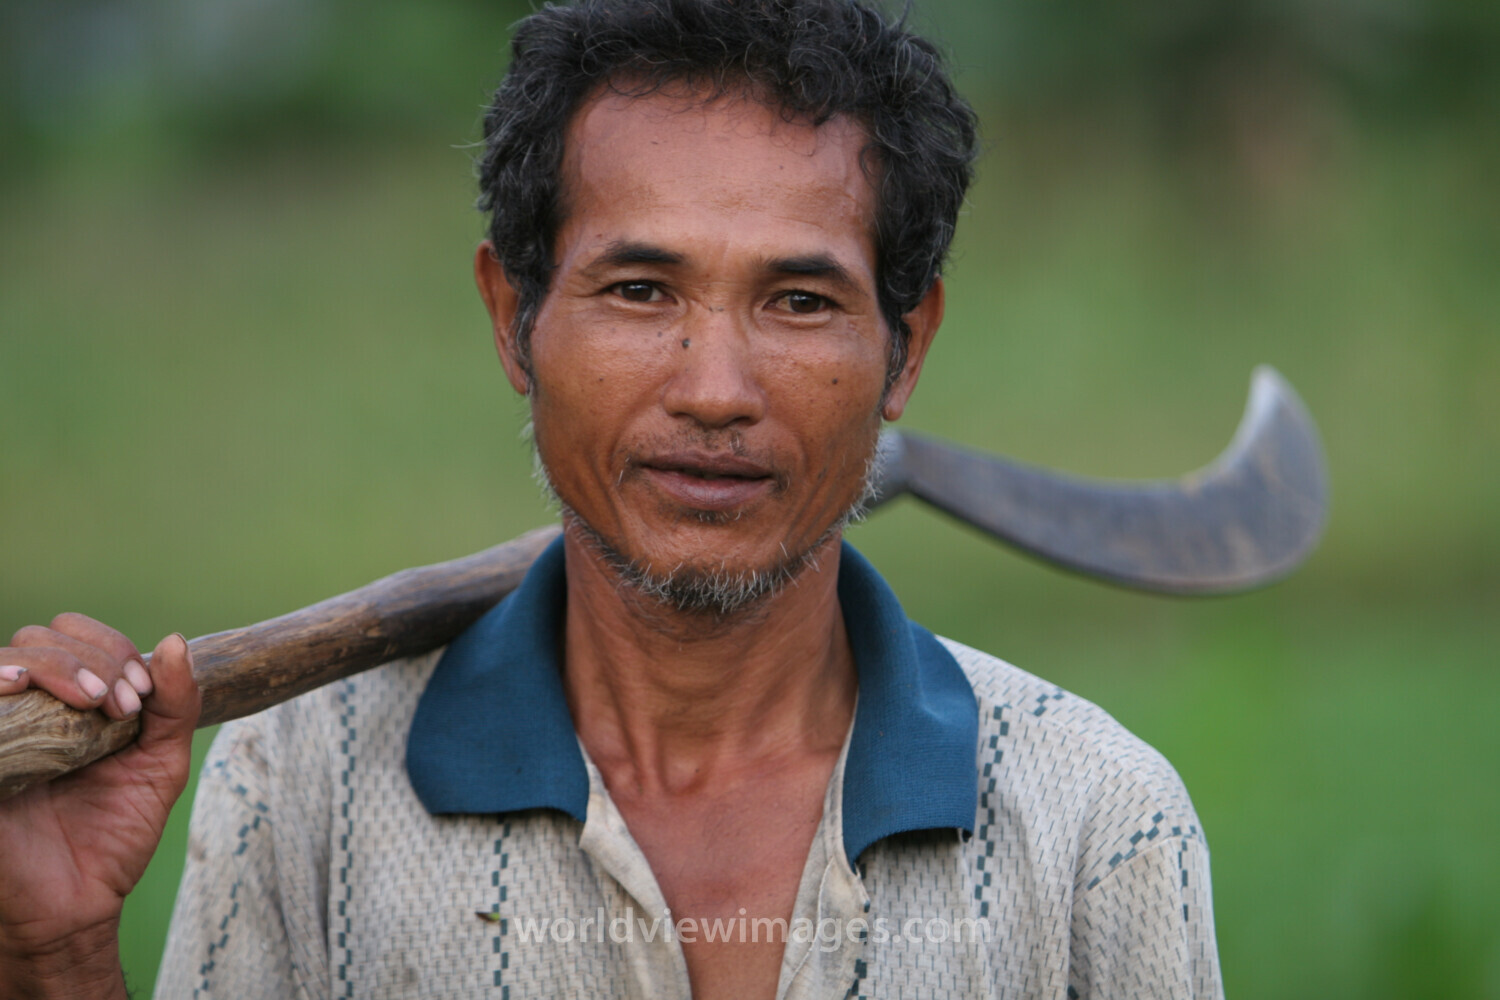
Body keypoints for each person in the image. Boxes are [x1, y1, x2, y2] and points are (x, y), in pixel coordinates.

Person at [0, 1, 1224, 997]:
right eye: (640, 291)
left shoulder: (1095, 824)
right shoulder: (298, 785)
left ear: (907, 349)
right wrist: (54, 955)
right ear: (512, 319)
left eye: (800, 302)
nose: (716, 390)